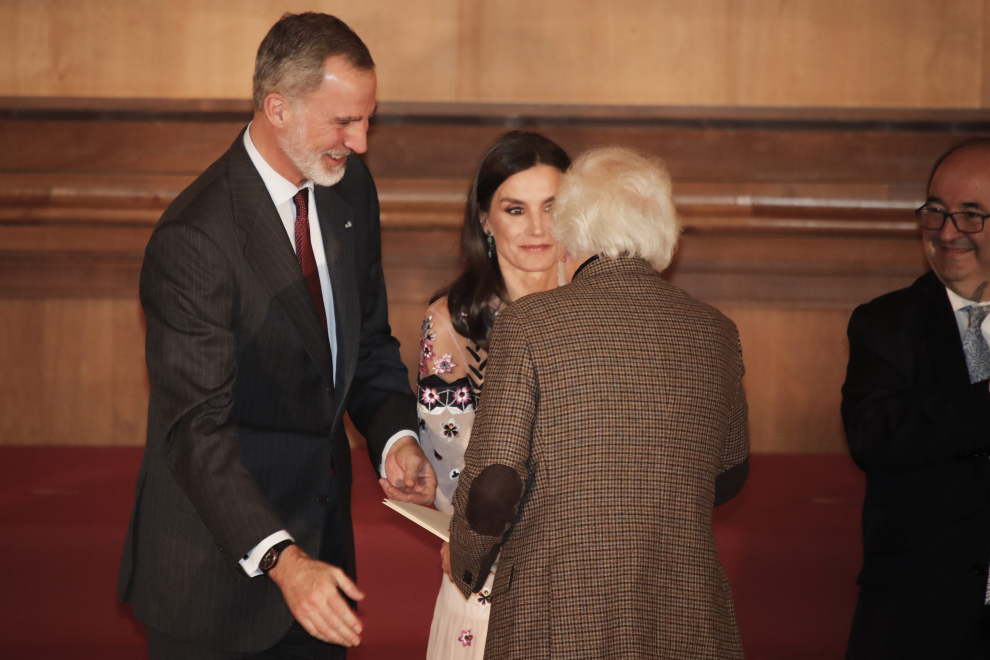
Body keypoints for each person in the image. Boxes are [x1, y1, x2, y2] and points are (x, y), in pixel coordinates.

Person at [116, 13, 436, 660]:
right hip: (214, 574)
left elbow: (366, 343)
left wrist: (395, 436)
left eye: (367, 118)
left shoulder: (350, 193)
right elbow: (195, 432)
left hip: (323, 559)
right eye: (344, 120)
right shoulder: (196, 240)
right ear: (277, 107)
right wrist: (285, 562)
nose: (363, 140)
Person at [447, 146, 750, 658]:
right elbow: (730, 472)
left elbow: (493, 487)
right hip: (687, 618)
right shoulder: (717, 333)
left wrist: (466, 563)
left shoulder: (528, 325)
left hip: (553, 620)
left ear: (571, 231)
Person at [417, 131, 571, 658]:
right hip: (489, 560)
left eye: (553, 207)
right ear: (485, 219)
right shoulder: (454, 322)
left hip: (592, 561)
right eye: (515, 209)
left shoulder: (602, 307)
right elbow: (450, 459)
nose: (536, 228)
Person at [842, 139, 990, 659]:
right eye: (936, 212)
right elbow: (874, 437)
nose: (948, 232)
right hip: (920, 618)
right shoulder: (885, 324)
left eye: (971, 216)